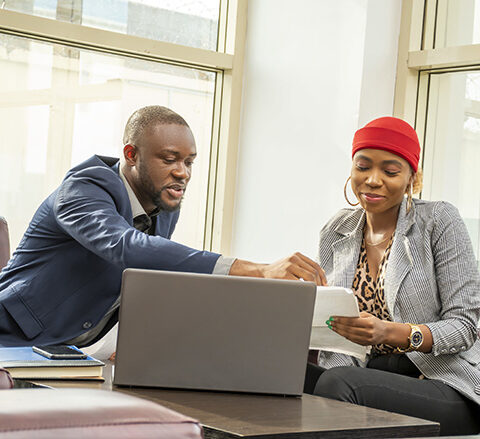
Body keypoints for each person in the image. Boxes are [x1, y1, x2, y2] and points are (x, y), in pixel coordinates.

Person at [0, 105, 326, 348]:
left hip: (76, 350)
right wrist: (259, 269)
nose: (182, 172)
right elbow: (126, 248)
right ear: (131, 154)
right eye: (169, 159)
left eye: (189, 162)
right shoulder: (83, 189)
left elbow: (147, 275)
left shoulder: (163, 205)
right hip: (13, 338)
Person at [305, 116, 480, 435]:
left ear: (413, 178)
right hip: (364, 372)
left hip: (443, 382)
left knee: (339, 385)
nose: (372, 179)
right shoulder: (337, 230)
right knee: (276, 375)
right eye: (363, 166)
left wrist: (393, 333)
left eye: (390, 171)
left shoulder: (438, 221)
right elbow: (333, 325)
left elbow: (465, 325)